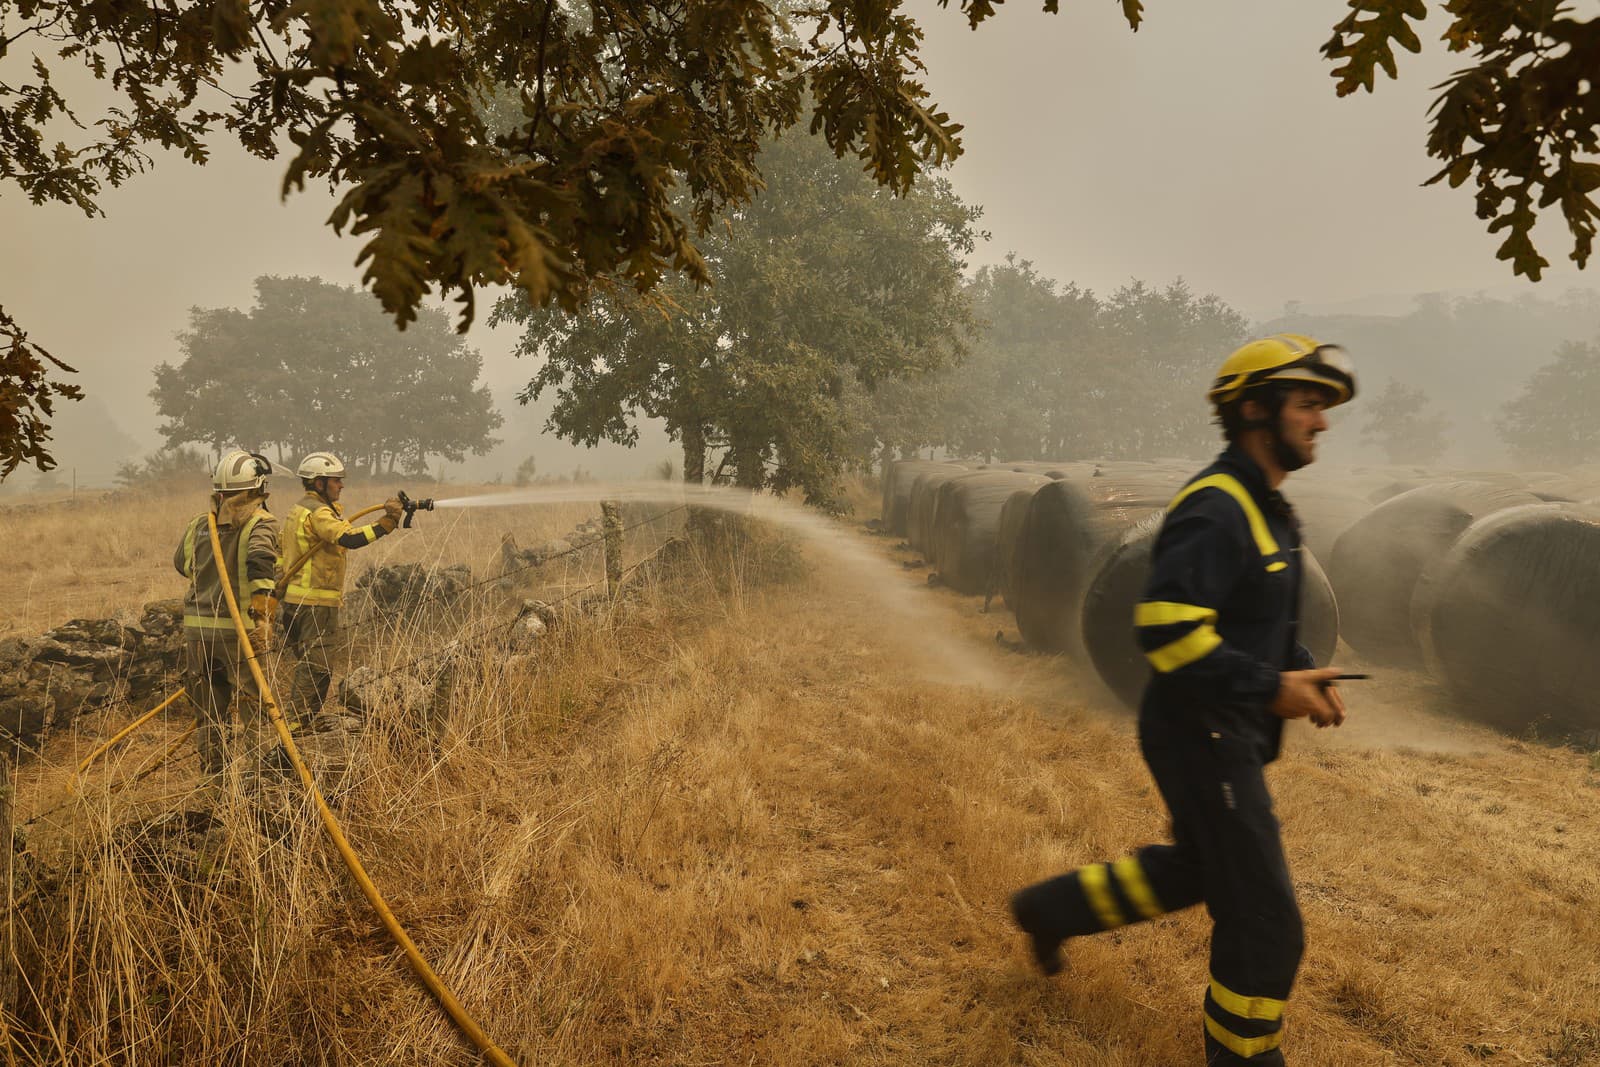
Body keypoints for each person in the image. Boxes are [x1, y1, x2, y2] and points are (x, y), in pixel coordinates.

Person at [1009, 334, 1358, 1065]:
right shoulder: (1216, 507)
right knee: (1267, 924)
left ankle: (1049, 909)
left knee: (1196, 870)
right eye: (1309, 403)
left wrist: (1299, 667)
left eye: (1324, 407)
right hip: (1199, 732)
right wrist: (1272, 688)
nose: (1322, 421)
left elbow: (1258, 617)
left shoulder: (1269, 511)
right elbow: (1165, 630)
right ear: (1256, 409)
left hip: (1221, 728)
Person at [174, 449, 281, 779]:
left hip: (197, 633)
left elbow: (182, 564)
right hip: (239, 633)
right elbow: (262, 567)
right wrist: (263, 621)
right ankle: (260, 782)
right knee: (255, 709)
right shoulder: (260, 523)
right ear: (257, 488)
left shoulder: (198, 525)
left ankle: (214, 780)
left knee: (209, 714)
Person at [278, 452, 404, 728]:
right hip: (315, 603)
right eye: (336, 480)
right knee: (317, 668)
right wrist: (387, 523)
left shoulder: (299, 509)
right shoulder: (319, 513)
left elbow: (281, 550)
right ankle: (296, 725)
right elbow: (350, 538)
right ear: (319, 483)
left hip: (294, 602)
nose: (341, 485)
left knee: (311, 664)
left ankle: (303, 723)